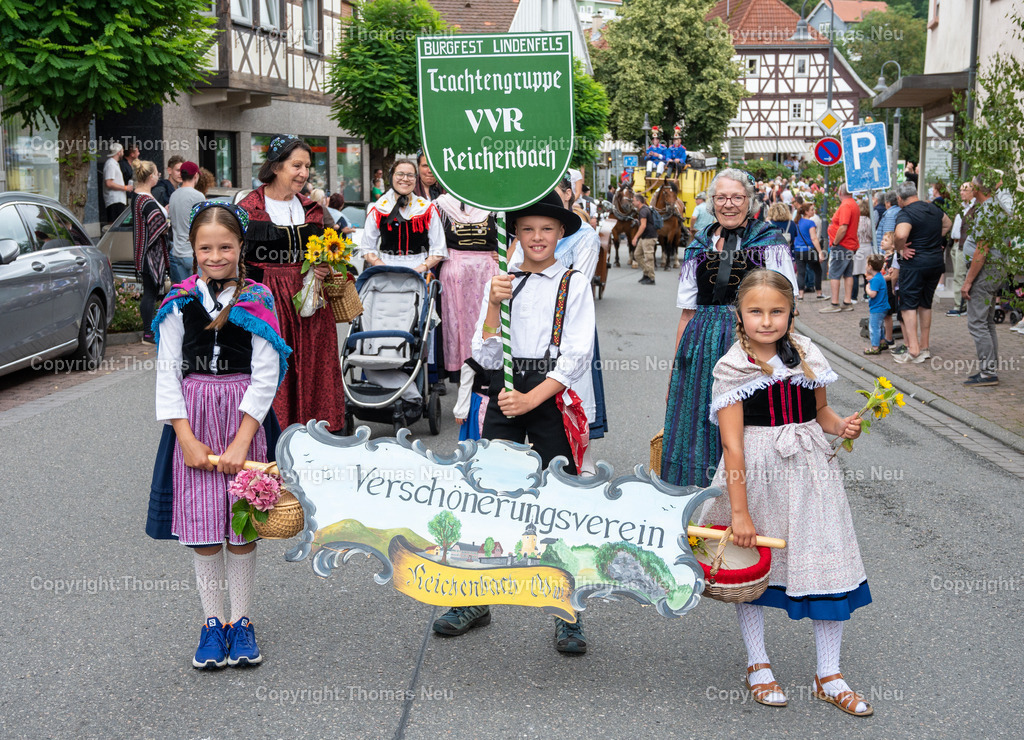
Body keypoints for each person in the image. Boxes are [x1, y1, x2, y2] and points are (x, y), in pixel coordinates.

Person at [698, 269, 872, 716]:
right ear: (740, 314)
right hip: (755, 472)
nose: (766, 320)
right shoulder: (733, 367)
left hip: (810, 470)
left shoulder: (807, 354)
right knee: (754, 568)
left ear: (792, 313)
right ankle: (758, 664)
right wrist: (739, 513)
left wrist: (842, 426)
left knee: (823, 561)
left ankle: (828, 675)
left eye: (777, 311)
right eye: (756, 311)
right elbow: (732, 444)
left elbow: (823, 414)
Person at [433, 190, 595, 652]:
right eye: (527, 229)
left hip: (548, 393)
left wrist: (534, 399)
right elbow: (482, 352)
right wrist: (491, 305)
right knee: (486, 496)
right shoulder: (502, 281)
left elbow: (577, 354)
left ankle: (568, 609)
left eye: (547, 229)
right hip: (507, 388)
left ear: (561, 233)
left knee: (559, 500)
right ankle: (475, 596)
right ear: (515, 235)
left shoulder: (573, 282)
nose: (537, 237)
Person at [148, 201, 291, 670]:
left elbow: (266, 375)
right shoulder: (179, 302)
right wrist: (185, 439)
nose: (215, 255)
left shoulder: (258, 299)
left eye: (225, 246)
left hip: (242, 421)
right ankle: (213, 623)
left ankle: (242, 621)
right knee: (203, 528)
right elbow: (168, 372)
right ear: (191, 249)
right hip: (193, 422)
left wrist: (241, 443)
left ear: (240, 247)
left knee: (242, 523)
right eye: (205, 247)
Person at [661, 169, 797, 488]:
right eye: (721, 197)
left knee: (749, 420)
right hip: (702, 342)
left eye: (737, 197)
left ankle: (748, 495)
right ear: (712, 202)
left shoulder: (769, 241)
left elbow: (788, 308)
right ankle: (701, 495)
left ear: (749, 201)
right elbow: (687, 313)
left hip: (752, 342)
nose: (729, 204)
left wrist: (782, 359)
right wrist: (677, 365)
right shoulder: (698, 243)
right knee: (697, 417)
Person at [237, 133, 346, 431]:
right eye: (296, 165)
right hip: (267, 302)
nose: (303, 173)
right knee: (271, 368)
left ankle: (314, 434)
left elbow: (325, 251)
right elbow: (239, 261)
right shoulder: (249, 208)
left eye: (307, 166)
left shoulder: (312, 209)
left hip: (309, 300)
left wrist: (323, 266)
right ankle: (272, 437)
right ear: (275, 167)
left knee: (312, 366)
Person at [359, 159, 447, 406]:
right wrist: (383, 267)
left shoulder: (427, 208)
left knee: (417, 326)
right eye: (400, 174)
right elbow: (367, 247)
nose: (405, 179)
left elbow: (438, 249)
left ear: (415, 178)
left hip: (418, 270)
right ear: (391, 176)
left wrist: (419, 268)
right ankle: (379, 372)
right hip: (385, 270)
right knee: (380, 320)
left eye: (410, 175)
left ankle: (418, 381)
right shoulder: (378, 207)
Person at [434, 192, 499, 382]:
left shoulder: (496, 203)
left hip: (487, 272)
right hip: (455, 275)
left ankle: (489, 378)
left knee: (489, 322)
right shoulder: (440, 205)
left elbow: (516, 233)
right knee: (457, 326)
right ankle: (463, 382)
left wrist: (505, 255)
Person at [892, 181, 952, 364]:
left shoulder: (906, 213)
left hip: (914, 264)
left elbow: (901, 235)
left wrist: (900, 248)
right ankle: (924, 347)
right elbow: (947, 224)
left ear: (900, 199)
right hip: (935, 263)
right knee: (925, 304)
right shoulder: (933, 208)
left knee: (909, 305)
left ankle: (913, 349)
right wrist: (934, 241)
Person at [961, 177, 1006, 386]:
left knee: (978, 323)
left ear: (978, 188)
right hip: (995, 270)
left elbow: (982, 250)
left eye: (971, 184)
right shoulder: (993, 207)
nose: (969, 187)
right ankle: (990, 369)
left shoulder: (987, 210)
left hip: (985, 272)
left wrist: (968, 281)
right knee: (987, 322)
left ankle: (988, 373)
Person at [131, 160, 170, 344]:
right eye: (157, 173)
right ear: (150, 177)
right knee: (150, 293)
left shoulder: (139, 196)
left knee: (151, 292)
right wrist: (167, 222)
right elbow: (158, 225)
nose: (158, 176)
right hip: (150, 253)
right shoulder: (145, 199)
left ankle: (150, 330)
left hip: (144, 251)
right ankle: (148, 333)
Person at [820, 184, 859, 313]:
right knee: (848, 274)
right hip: (849, 244)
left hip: (842, 244)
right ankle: (847, 302)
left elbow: (843, 227)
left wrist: (835, 242)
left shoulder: (846, 205)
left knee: (834, 274)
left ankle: (834, 303)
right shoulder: (853, 204)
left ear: (841, 191)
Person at [167, 162, 205, 285]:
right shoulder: (198, 196)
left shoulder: (173, 195)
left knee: (186, 292)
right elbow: (204, 224)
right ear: (196, 176)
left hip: (177, 252)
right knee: (200, 292)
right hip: (193, 254)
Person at [946, 181, 975, 316]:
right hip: (956, 244)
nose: (962, 192)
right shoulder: (962, 207)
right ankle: (959, 304)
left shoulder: (974, 208)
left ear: (972, 192)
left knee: (960, 275)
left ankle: (959, 306)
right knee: (957, 275)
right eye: (961, 190)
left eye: (965, 190)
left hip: (964, 245)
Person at [452, 357, 491, 441]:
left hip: (499, 402)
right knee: (478, 436)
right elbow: (465, 386)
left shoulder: (502, 359)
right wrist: (461, 411)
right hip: (479, 404)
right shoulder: (473, 363)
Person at [793, 202, 824, 300]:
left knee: (801, 272)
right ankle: (819, 293)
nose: (813, 211)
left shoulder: (797, 222)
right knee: (817, 270)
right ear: (806, 212)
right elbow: (814, 238)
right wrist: (820, 252)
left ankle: (801, 295)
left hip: (798, 250)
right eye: (811, 209)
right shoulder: (811, 223)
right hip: (808, 250)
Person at [863, 255, 890, 354]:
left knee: (874, 327)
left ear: (870, 266)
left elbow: (873, 294)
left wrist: (867, 289)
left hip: (877, 308)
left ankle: (875, 347)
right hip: (883, 307)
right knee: (880, 326)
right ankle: (882, 342)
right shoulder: (880, 277)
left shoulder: (875, 280)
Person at [631, 192, 659, 286]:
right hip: (645, 237)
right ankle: (646, 273)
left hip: (649, 237)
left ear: (638, 201)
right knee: (637, 255)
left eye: (634, 200)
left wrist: (635, 237)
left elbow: (643, 226)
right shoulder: (644, 210)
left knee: (648, 258)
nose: (633, 202)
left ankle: (651, 277)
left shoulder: (643, 211)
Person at [103, 143, 133, 225]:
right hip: (114, 199)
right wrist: (125, 188)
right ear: (118, 152)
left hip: (118, 199)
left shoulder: (114, 164)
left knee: (116, 223)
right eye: (122, 151)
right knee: (114, 223)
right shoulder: (110, 164)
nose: (123, 153)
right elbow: (109, 183)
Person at [851, 199, 873, 302]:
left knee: (855, 272)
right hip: (867, 246)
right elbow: (872, 235)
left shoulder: (855, 220)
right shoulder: (869, 221)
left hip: (857, 247)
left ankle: (853, 297)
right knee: (867, 271)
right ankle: (866, 295)